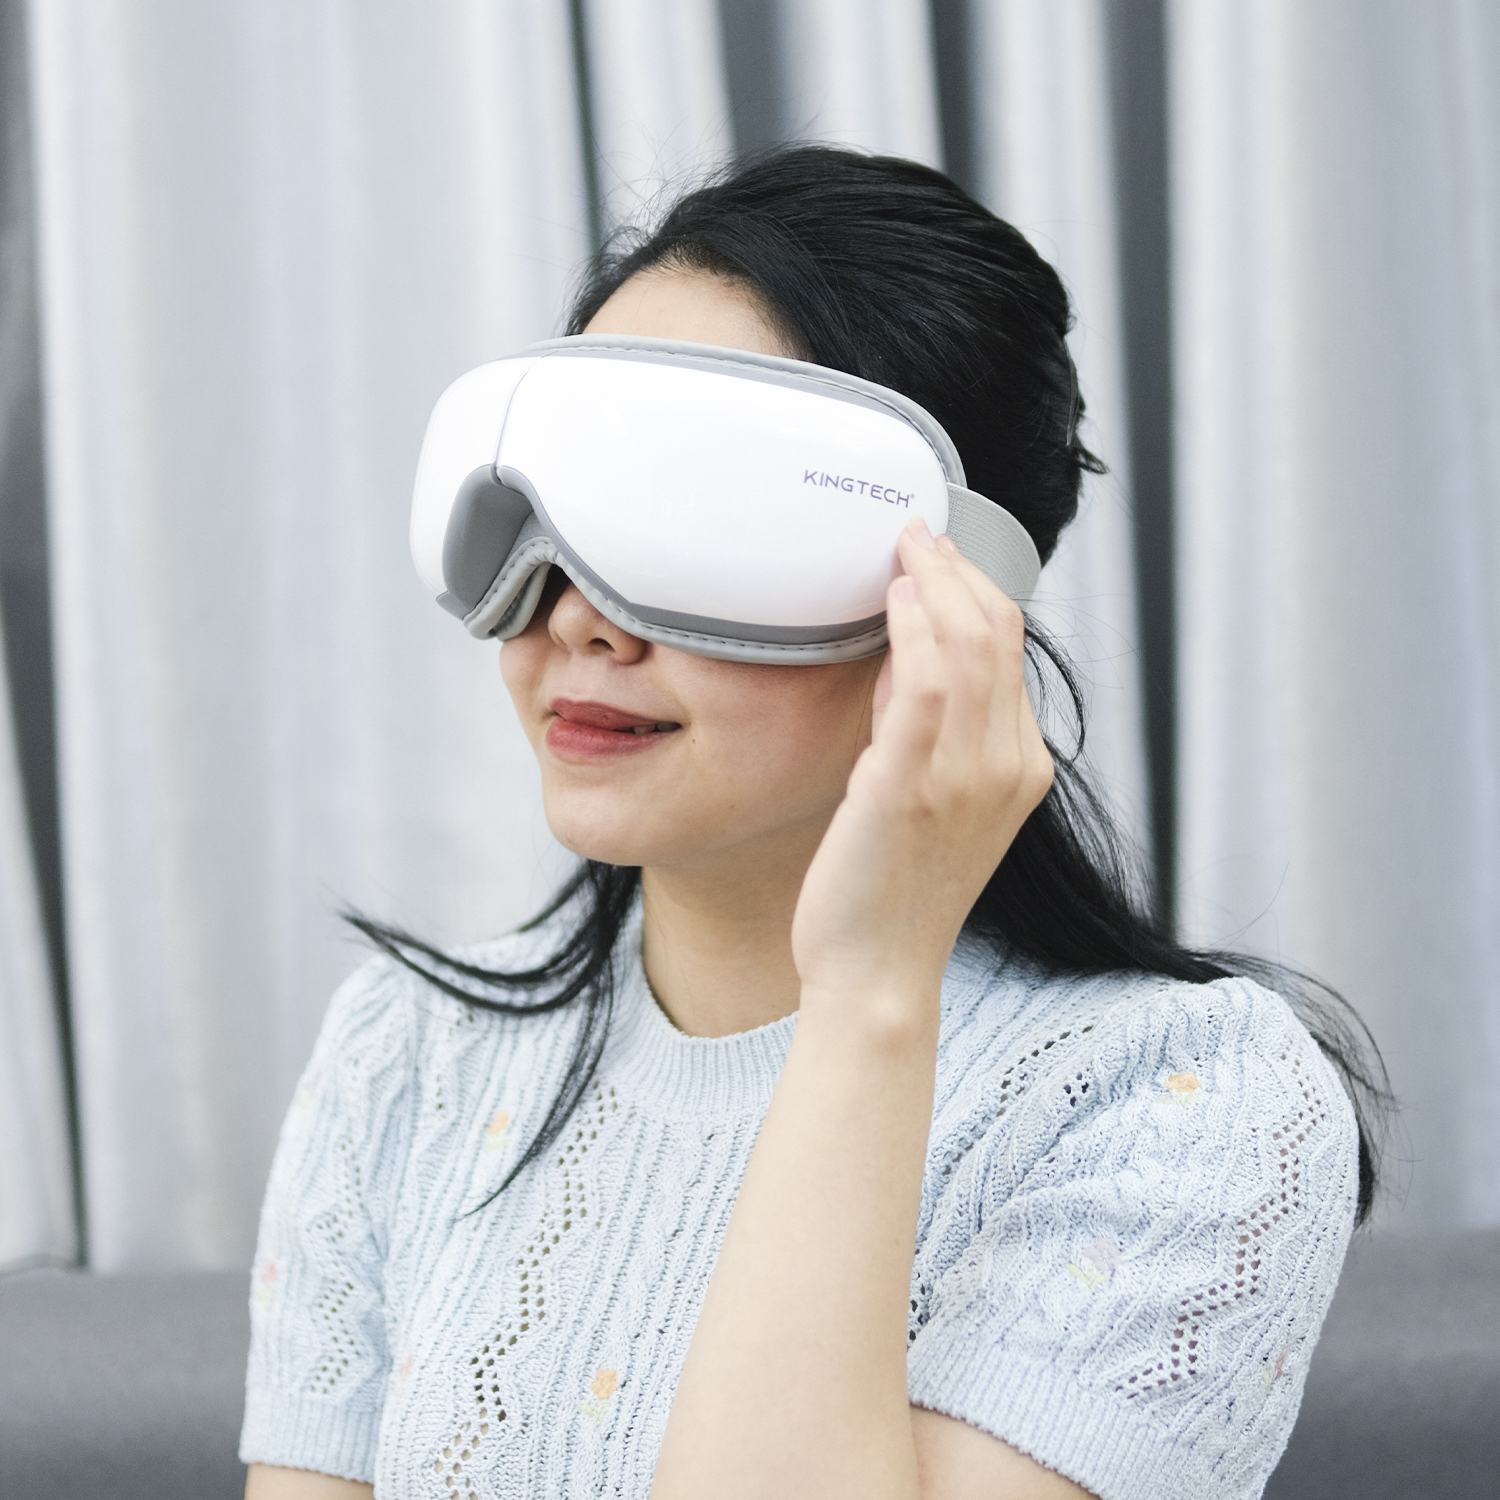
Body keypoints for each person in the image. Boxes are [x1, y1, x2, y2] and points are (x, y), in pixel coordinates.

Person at [240, 147, 1386, 1500]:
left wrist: (873, 990)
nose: (577, 618)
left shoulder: (1185, 1109)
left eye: (694, 522)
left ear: (956, 598)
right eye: (549, 513)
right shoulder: (407, 1055)